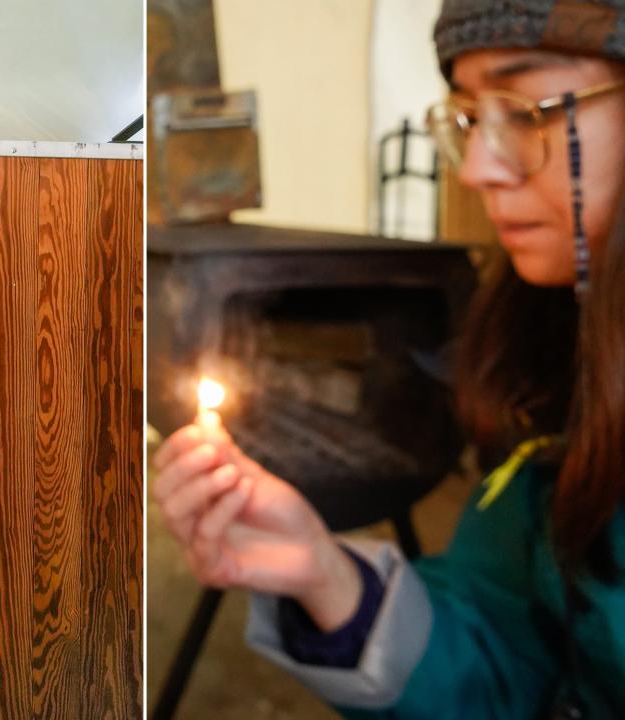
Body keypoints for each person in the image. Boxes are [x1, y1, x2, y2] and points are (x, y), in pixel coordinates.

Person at [151, 1, 625, 717]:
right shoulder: (551, 377)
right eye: (468, 119)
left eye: (524, 109)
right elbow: (513, 655)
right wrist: (328, 579)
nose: (476, 170)